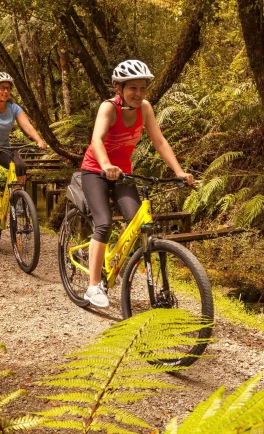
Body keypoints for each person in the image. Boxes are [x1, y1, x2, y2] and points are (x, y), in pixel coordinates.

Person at [79, 60, 194, 308]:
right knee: (104, 223)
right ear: (118, 88)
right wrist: (106, 164)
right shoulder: (108, 108)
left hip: (123, 174)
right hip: (95, 170)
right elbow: (97, 140)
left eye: (142, 88)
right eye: (133, 88)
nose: (139, 93)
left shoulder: (145, 108)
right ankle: (93, 285)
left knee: (136, 221)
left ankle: (115, 257)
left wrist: (179, 171)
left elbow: (159, 141)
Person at [0, 72, 47, 241]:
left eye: (8, 88)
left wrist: (38, 140)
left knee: (21, 166)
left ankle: (17, 198)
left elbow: (26, 125)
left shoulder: (14, 108)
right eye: (2, 88)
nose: (5, 91)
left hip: (4, 148)